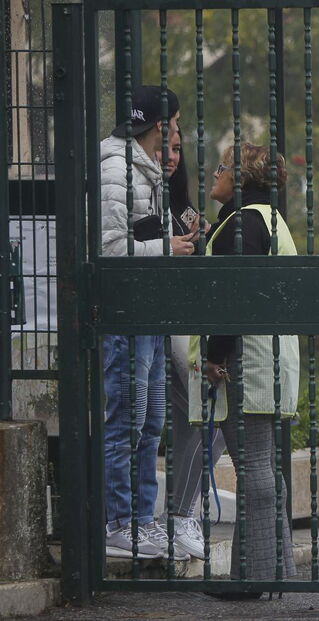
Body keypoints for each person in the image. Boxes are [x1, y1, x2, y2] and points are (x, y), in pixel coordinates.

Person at [99, 85, 193, 560]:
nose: (177, 131)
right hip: (125, 314)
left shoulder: (150, 169)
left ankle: (141, 519)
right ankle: (117, 520)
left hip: (150, 313)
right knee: (127, 420)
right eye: (174, 123)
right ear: (161, 125)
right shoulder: (116, 168)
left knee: (152, 421)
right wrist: (167, 250)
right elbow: (110, 250)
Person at [202, 143, 300, 589]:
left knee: (256, 469)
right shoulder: (268, 221)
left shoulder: (242, 226)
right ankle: (265, 569)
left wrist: (215, 355)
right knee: (263, 467)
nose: (214, 174)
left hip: (248, 360)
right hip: (272, 357)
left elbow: (231, 301)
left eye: (222, 167)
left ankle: (260, 574)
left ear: (239, 179)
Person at [156, 130, 225, 561]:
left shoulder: (181, 201)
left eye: (178, 149)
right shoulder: (131, 184)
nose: (172, 157)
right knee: (210, 415)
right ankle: (179, 516)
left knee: (198, 419)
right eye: (165, 145)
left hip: (183, 315)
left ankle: (178, 517)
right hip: (158, 319)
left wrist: (195, 240)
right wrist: (169, 247)